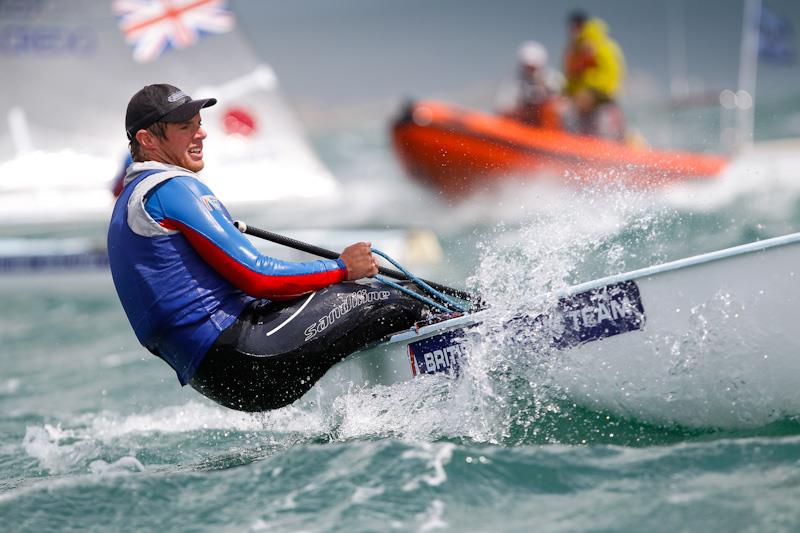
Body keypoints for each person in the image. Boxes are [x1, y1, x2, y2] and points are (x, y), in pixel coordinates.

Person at [107, 84, 430, 412]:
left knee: (347, 302)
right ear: (148, 140)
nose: (201, 134)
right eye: (185, 127)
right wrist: (343, 268)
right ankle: (474, 336)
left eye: (199, 123)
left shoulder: (128, 203)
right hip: (245, 354)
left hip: (215, 375)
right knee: (394, 295)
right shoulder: (171, 189)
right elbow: (258, 276)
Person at [562, 10, 627, 142]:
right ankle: (571, 147)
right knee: (562, 111)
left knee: (603, 128)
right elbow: (570, 79)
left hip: (602, 99)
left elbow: (612, 75)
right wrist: (565, 94)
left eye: (578, 26)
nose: (574, 30)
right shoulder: (573, 51)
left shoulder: (602, 46)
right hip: (579, 103)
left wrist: (592, 93)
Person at [503, 41, 565, 129]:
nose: (530, 71)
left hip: (549, 128)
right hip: (522, 124)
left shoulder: (554, 79)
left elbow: (562, 102)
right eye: (527, 67)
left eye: (532, 67)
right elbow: (505, 107)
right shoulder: (514, 82)